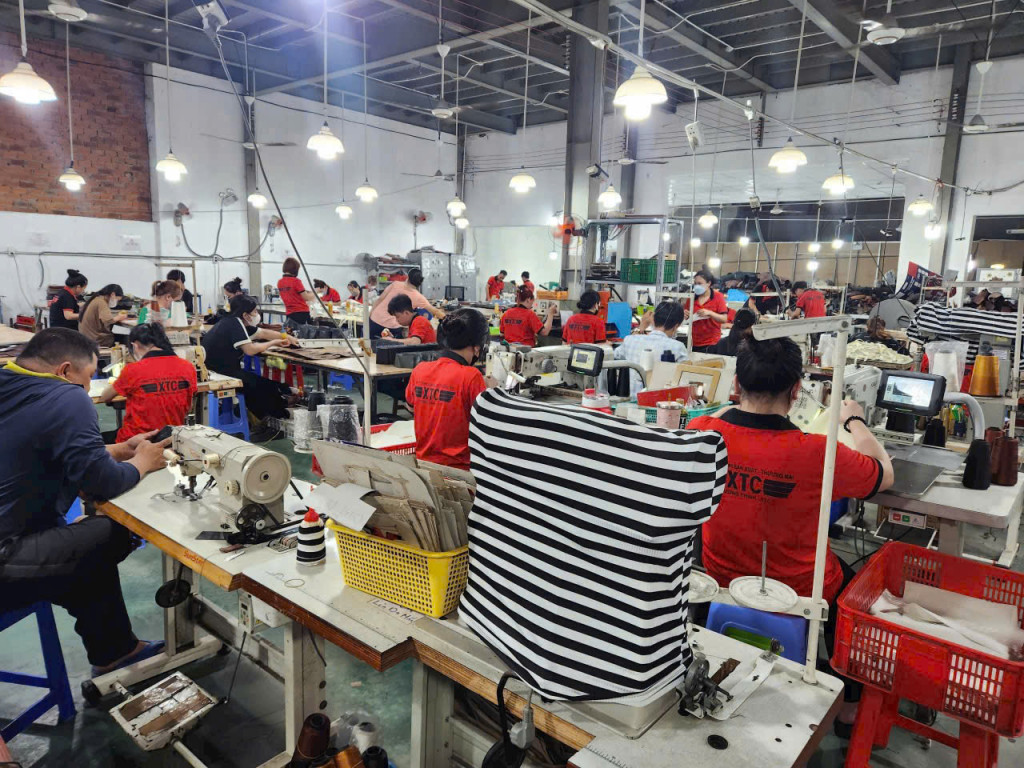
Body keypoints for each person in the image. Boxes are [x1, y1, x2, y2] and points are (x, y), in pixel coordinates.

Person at [688, 337, 893, 733]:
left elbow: (724, 422)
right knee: (860, 592)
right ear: (797, 390)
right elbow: (884, 474)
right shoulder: (818, 452)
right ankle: (850, 705)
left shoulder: (703, 431)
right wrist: (853, 420)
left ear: (737, 383)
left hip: (720, 575)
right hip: (798, 590)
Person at [0, 328, 171, 674]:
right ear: (65, 371)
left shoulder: (11, 382)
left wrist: (120, 450)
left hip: (16, 539)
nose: (89, 387)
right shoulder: (68, 396)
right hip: (7, 562)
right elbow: (102, 482)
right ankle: (115, 651)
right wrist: (143, 462)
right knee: (112, 532)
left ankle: (117, 651)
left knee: (85, 549)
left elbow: (41, 449)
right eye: (89, 377)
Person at [405, 309, 489, 470]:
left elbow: (411, 407)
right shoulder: (471, 376)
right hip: (461, 472)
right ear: (477, 348)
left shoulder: (420, 370)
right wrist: (492, 393)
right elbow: (486, 423)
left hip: (424, 467)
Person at [201, 294, 298, 422]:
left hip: (218, 370)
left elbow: (263, 333)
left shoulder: (232, 321)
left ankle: (278, 405)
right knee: (257, 386)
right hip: (219, 373)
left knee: (258, 383)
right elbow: (250, 350)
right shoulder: (234, 324)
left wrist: (287, 337)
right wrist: (273, 343)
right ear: (245, 315)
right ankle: (281, 413)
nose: (257, 314)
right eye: (255, 311)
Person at [98, 323, 198, 442]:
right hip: (171, 440)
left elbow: (105, 397)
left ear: (135, 345)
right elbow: (189, 407)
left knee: (97, 441)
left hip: (135, 442)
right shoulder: (188, 367)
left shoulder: (133, 370)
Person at [614, 301, 688, 396]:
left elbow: (614, 356)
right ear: (676, 326)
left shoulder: (630, 340)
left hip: (627, 399)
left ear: (653, 319)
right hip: (658, 401)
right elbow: (685, 380)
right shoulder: (677, 347)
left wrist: (640, 328)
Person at [368, 268, 444, 339]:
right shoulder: (418, 297)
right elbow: (436, 312)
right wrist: (448, 320)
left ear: (408, 277)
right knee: (392, 348)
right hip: (392, 326)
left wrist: (370, 315)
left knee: (369, 346)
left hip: (374, 319)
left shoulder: (395, 284)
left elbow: (380, 299)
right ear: (420, 283)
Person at [684, 270, 729, 353]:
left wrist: (710, 313)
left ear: (709, 283)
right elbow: (686, 317)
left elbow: (724, 319)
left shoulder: (718, 297)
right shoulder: (691, 297)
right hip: (694, 341)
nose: (696, 286)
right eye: (695, 283)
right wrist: (685, 315)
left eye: (700, 283)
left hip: (712, 342)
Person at [278, 257, 316, 326]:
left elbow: (292, 293)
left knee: (291, 331)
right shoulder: (296, 281)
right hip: (301, 313)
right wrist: (315, 292)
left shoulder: (280, 282)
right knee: (304, 332)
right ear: (295, 269)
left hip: (289, 314)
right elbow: (306, 298)